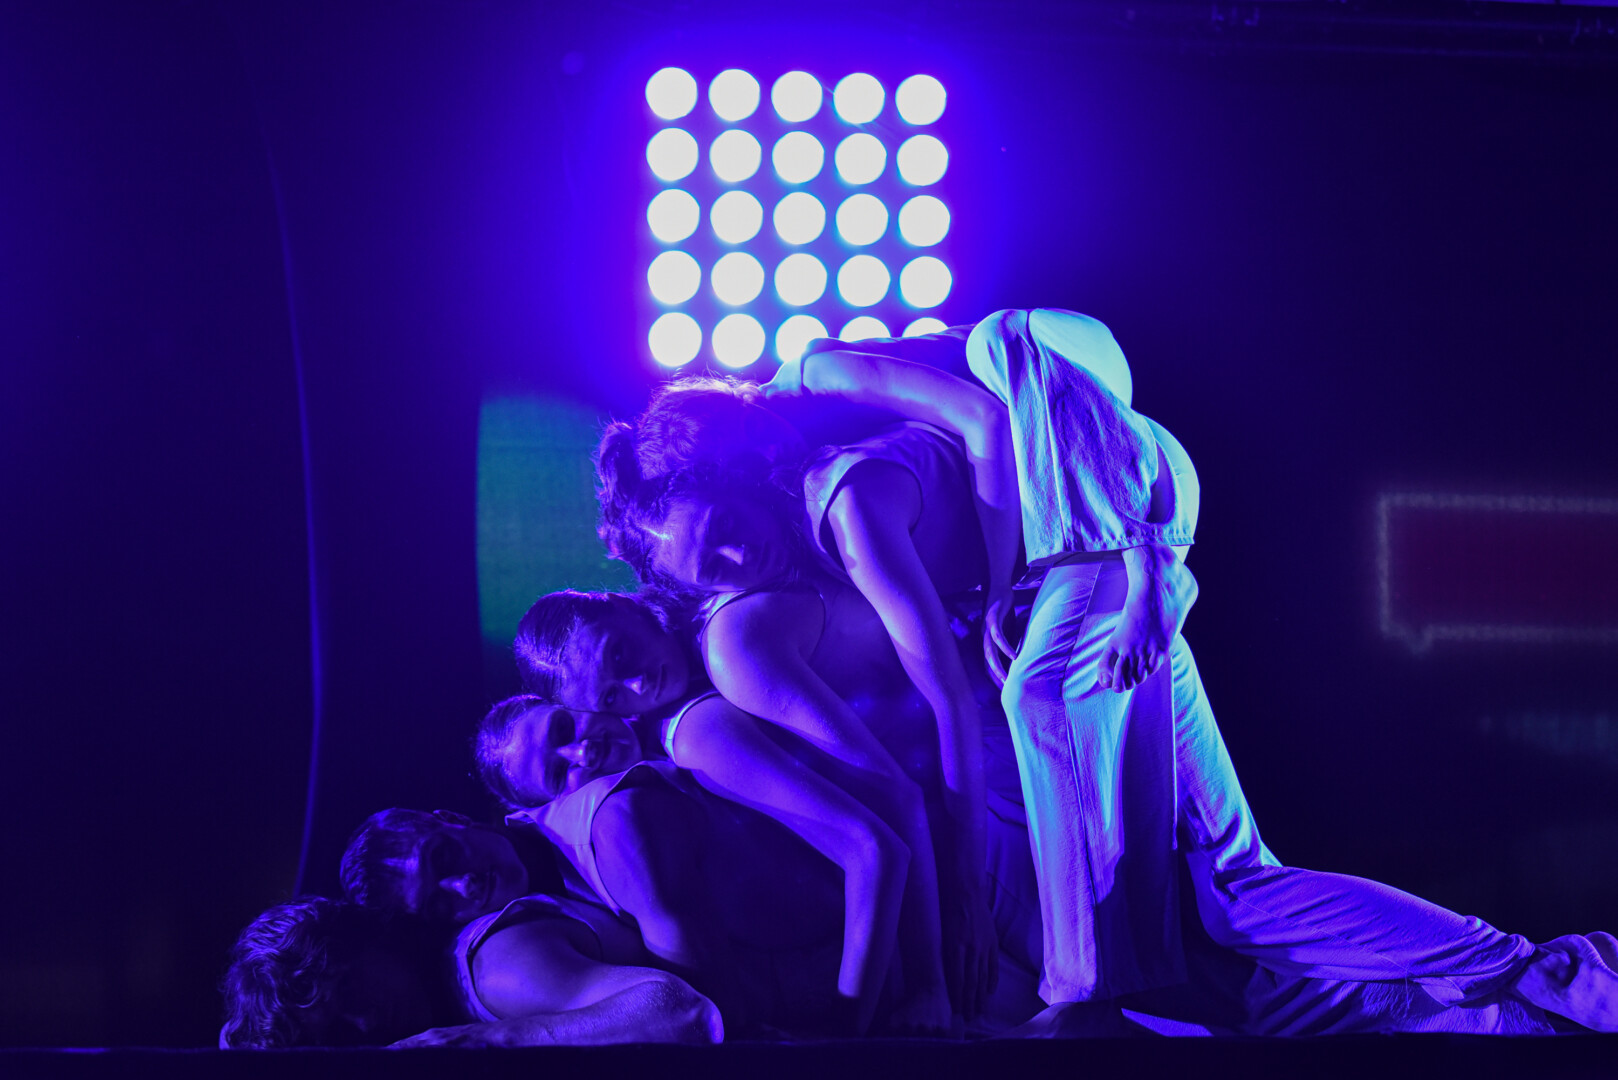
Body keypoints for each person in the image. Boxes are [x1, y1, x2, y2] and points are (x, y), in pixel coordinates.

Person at [595, 369, 1618, 1033]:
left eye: (722, 530)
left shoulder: (833, 513)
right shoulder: (814, 531)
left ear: (735, 479)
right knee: (1236, 900)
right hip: (1109, 604)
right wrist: (1068, 579)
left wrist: (949, 917)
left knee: (1170, 937)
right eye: (706, 569)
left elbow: (942, 698)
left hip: (1069, 653)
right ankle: (1525, 989)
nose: (732, 560)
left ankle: (1080, 994)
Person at [474, 693, 920, 1035]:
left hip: (898, 941)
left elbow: (874, 848)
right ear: (549, 809)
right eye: (559, 775)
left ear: (575, 699)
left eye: (563, 727)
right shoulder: (597, 821)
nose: (582, 753)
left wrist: (877, 1015)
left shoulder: (692, 734)